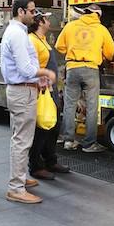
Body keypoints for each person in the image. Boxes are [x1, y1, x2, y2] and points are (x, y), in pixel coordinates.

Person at [0, 0, 57, 204]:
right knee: (22, 141)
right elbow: (25, 68)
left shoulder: (18, 32)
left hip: (23, 90)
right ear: (21, 11)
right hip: (22, 92)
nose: (35, 15)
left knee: (20, 139)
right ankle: (16, 187)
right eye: (32, 11)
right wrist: (46, 74)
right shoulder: (16, 34)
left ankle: (20, 178)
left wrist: (38, 77)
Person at [55, 3, 114, 153]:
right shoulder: (101, 29)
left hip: (73, 68)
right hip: (91, 69)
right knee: (92, 107)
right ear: (98, 15)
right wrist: (100, 55)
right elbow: (111, 52)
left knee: (69, 105)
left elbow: (59, 46)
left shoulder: (71, 26)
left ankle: (68, 140)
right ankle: (89, 144)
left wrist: (71, 52)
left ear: (85, 13)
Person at [28, 11, 70, 180]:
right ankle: (36, 166)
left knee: (53, 127)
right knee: (41, 129)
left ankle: (50, 160)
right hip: (41, 90)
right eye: (46, 18)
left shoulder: (43, 40)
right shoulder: (32, 40)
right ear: (40, 22)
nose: (49, 21)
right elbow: (31, 67)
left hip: (50, 89)